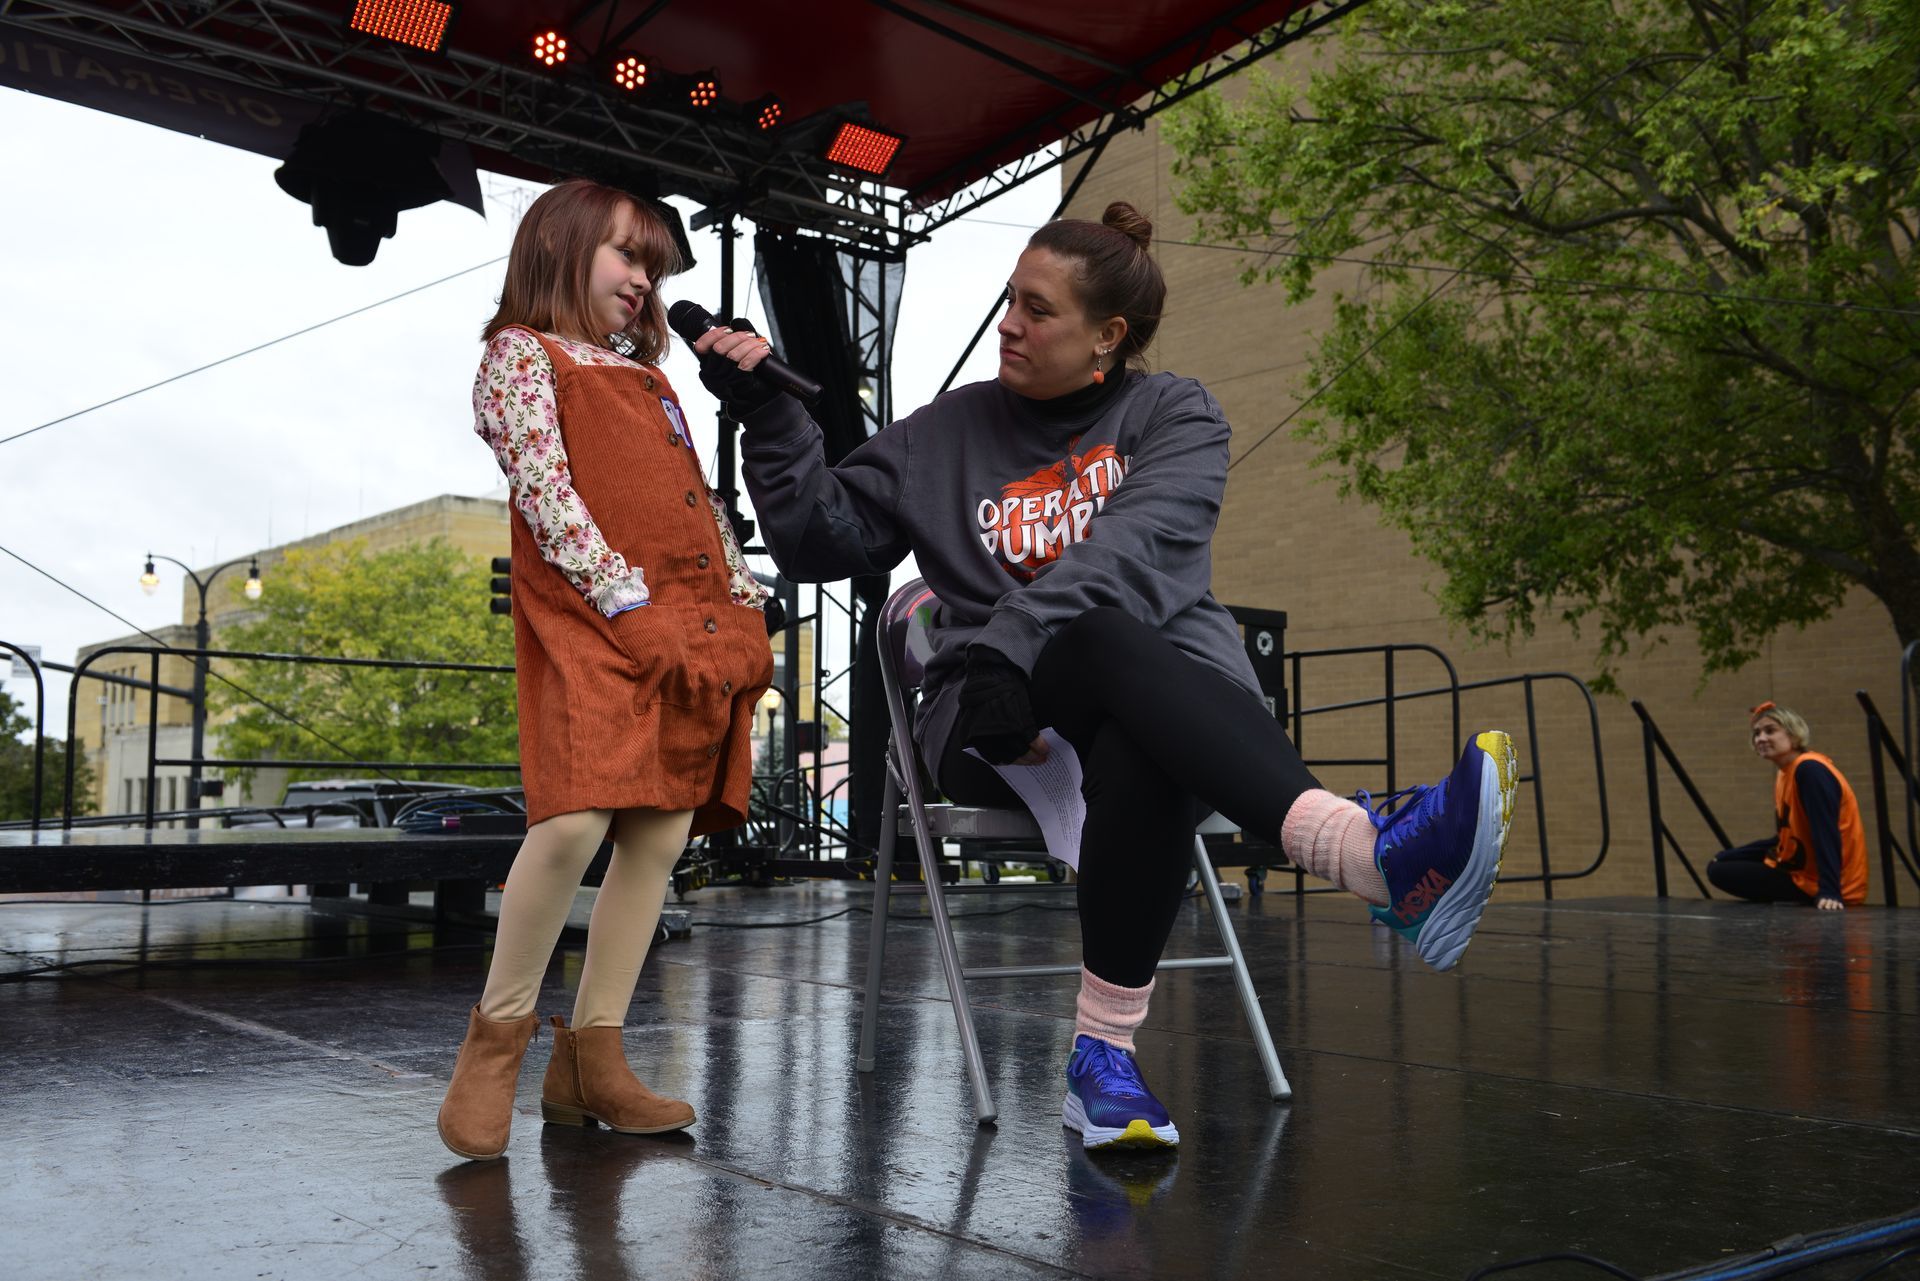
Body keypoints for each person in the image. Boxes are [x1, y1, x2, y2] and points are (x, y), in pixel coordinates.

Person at [697, 201, 1520, 1151]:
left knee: (1130, 693)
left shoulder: (1174, 415)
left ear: (1108, 336)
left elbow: (1134, 550)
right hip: (998, 723)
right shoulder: (946, 432)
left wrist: (1012, 629)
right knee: (1099, 643)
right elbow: (813, 539)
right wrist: (769, 415)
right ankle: (1360, 850)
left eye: (1037, 310)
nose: (1008, 322)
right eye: (1009, 299)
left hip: (1140, 707)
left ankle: (1104, 1065)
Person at [436, 180, 774, 1162]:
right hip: (595, 613)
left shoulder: (655, 379)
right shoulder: (517, 356)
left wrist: (740, 591)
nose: (643, 279)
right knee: (577, 814)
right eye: (628, 255)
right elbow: (544, 489)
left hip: (687, 617)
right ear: (562, 247)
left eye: (654, 266)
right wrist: (619, 595)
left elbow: (699, 503)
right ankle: (493, 1047)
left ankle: (593, 1061)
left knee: (661, 830)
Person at [1707, 702, 1868, 910]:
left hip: (1826, 884)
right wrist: (1728, 854)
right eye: (1757, 733)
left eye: (1770, 731)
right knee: (1719, 866)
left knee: (1719, 872)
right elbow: (1783, 837)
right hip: (1798, 872)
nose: (1761, 738)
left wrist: (1830, 892)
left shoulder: (1810, 770)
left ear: (1793, 735)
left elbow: (1826, 832)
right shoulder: (1785, 774)